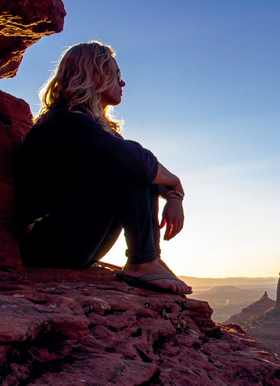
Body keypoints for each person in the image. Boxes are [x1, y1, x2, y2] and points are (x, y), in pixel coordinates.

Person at [16, 41, 192, 295]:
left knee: (130, 159)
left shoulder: (88, 126)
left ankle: (148, 257)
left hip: (67, 240)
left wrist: (175, 195)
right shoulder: (66, 120)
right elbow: (133, 161)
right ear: (95, 75)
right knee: (128, 161)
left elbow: (138, 162)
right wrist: (175, 183)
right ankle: (142, 261)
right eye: (117, 76)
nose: (123, 84)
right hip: (44, 244)